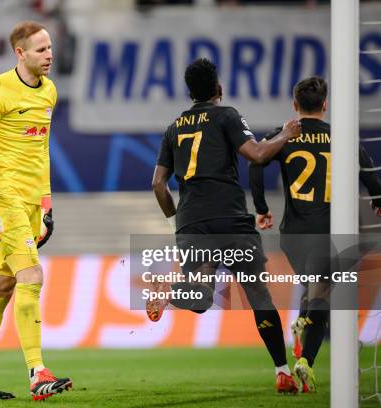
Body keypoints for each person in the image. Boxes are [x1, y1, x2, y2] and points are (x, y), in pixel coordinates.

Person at [149, 58, 302, 394]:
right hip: (230, 220)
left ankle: (169, 294)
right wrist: (286, 135)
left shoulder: (173, 127)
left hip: (192, 223)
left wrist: (177, 217)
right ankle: (282, 371)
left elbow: (158, 184)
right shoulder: (226, 115)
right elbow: (258, 154)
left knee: (201, 300)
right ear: (218, 88)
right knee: (258, 295)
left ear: (189, 92)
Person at [0, 20, 72, 401]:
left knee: (1, 286)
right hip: (3, 198)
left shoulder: (50, 92)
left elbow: (41, 151)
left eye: (50, 47)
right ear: (20, 53)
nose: (49, 54)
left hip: (29, 202)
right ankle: (38, 372)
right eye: (40, 49)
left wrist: (47, 203)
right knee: (32, 275)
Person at [249, 76, 381, 392]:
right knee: (326, 294)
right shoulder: (343, 138)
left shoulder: (284, 136)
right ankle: (306, 357)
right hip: (329, 234)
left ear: (295, 105)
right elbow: (371, 177)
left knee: (317, 287)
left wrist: (262, 207)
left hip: (292, 236)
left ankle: (303, 321)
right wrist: (377, 199)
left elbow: (256, 162)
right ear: (325, 105)